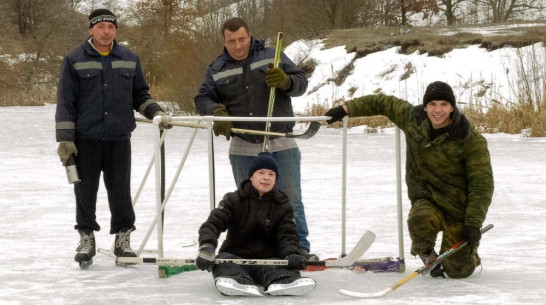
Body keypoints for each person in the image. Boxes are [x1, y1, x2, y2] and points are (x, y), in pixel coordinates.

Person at [325, 81, 494, 278]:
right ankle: (426, 254)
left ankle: (469, 255)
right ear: (425, 107)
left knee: (458, 271)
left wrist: (473, 223)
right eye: (432, 104)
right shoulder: (413, 120)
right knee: (419, 219)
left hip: (459, 209)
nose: (437, 110)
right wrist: (346, 109)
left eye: (444, 105)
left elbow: (482, 185)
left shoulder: (470, 139)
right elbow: (383, 102)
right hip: (427, 201)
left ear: (452, 108)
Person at [55, 8, 170, 267]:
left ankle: (123, 240)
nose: (106, 31)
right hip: (86, 139)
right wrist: (65, 139)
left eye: (111, 27)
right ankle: (86, 240)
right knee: (85, 191)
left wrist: (156, 112)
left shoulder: (129, 58)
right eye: (101, 27)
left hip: (119, 138)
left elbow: (140, 94)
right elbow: (65, 102)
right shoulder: (74, 59)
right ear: (91, 30)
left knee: (120, 191)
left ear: (115, 30)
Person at [194, 17, 316, 259]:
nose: (238, 45)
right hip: (243, 144)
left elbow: (301, 83)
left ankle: (299, 248)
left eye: (242, 39)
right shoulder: (217, 68)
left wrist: (286, 81)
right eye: (231, 41)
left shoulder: (272, 55)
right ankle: (256, 249)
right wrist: (216, 112)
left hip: (280, 138)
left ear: (249, 36)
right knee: (249, 202)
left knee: (291, 199)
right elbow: (202, 99)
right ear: (224, 41)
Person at [195, 152, 316, 296]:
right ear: (251, 176)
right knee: (223, 262)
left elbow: (288, 234)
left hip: (270, 261)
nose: (266, 177)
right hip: (236, 256)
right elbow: (212, 224)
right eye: (261, 172)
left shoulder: (282, 204)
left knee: (283, 268)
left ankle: (283, 281)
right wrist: (207, 247)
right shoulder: (233, 200)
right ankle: (237, 280)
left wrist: (292, 254)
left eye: (271, 174)